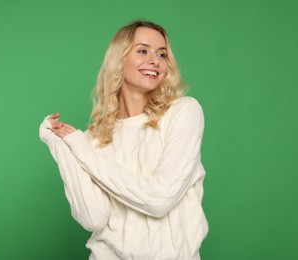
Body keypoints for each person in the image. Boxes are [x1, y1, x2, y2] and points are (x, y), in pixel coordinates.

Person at [39, 20, 208, 260]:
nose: (155, 60)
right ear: (119, 59)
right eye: (142, 51)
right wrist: (60, 146)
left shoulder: (183, 112)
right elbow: (92, 218)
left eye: (162, 54)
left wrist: (82, 151)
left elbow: (159, 199)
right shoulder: (94, 139)